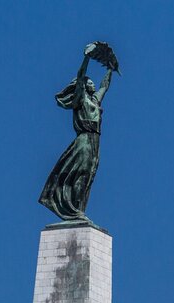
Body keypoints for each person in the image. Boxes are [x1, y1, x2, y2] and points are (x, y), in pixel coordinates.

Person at [39, 43, 114, 222]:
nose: (92, 82)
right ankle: (74, 210)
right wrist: (86, 58)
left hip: (95, 140)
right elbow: (81, 76)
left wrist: (110, 69)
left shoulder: (95, 100)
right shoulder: (81, 98)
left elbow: (104, 86)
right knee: (80, 171)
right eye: (89, 81)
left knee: (89, 174)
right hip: (84, 140)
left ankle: (79, 208)